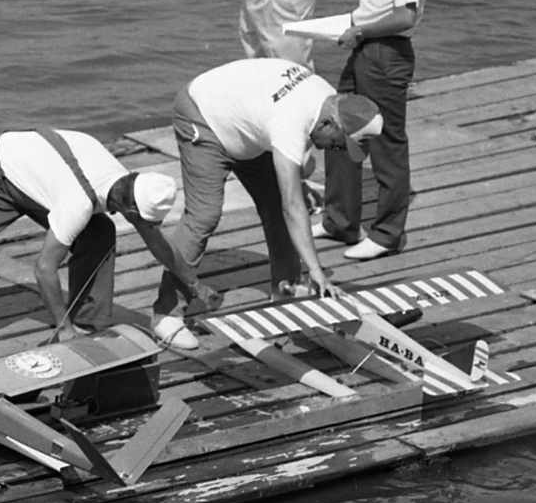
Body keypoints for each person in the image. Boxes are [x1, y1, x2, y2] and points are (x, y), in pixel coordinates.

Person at [0, 128, 220, 378]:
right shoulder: (79, 202)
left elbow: (156, 243)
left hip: (36, 178)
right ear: (128, 205)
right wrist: (60, 330)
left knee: (101, 231)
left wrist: (194, 285)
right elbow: (43, 269)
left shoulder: (127, 186)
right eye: (140, 220)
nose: (143, 225)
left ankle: (89, 327)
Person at [150, 59, 383, 348]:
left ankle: (286, 294)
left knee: (277, 201)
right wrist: (317, 270)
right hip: (202, 116)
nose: (336, 150)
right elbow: (293, 206)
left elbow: (287, 190)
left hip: (247, 127)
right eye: (338, 143)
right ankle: (165, 314)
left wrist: (297, 182)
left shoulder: (327, 102)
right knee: (204, 215)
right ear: (328, 123)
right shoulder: (293, 119)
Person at [318, 0, 430, 260]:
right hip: (366, 47)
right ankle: (340, 219)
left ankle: (387, 234)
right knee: (337, 125)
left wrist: (361, 30)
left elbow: (405, 16)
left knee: (386, 144)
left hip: (386, 53)